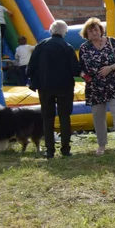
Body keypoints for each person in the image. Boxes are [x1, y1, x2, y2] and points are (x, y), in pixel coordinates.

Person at [26, 20, 80, 159]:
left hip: (45, 87)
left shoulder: (41, 46)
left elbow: (30, 68)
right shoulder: (67, 47)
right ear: (65, 33)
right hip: (65, 87)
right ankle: (65, 149)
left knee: (47, 119)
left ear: (51, 31)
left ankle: (49, 150)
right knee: (64, 118)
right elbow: (75, 70)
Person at [78, 17, 115, 154]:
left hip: (114, 84)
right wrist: (86, 76)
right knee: (98, 116)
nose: (94, 33)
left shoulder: (112, 42)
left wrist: (111, 67)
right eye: (91, 31)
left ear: (101, 30)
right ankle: (102, 145)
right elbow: (82, 68)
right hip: (95, 86)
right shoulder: (84, 48)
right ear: (86, 34)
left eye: (96, 30)